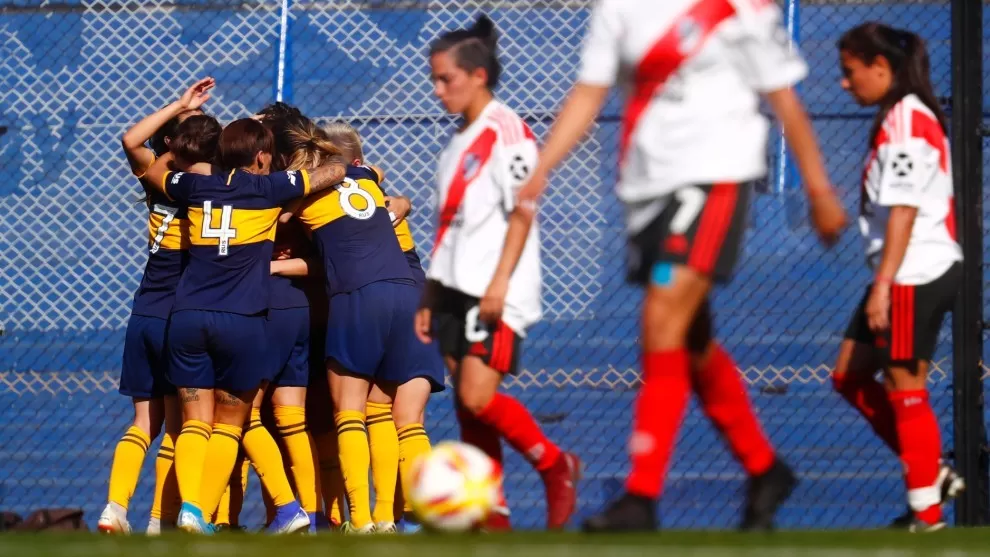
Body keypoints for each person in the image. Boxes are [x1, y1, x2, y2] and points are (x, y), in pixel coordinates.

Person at [513, 0, 847, 531]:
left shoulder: (742, 7)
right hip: (648, 189)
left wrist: (819, 187)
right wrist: (541, 169)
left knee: (661, 319)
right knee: (690, 340)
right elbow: (590, 91)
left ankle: (641, 497)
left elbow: (782, 96)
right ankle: (764, 468)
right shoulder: (615, 8)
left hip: (716, 176)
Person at [139, 110, 350, 534]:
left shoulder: (192, 186)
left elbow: (153, 168)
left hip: (188, 319)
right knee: (234, 423)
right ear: (260, 156)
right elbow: (333, 171)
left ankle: (187, 510)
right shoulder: (269, 188)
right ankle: (198, 510)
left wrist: (190, 136)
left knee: (196, 421)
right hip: (241, 322)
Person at [415, 15, 582, 531]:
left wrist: (499, 282)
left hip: (493, 287)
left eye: (447, 79)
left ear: (479, 75)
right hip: (453, 288)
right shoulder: (459, 141)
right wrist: (430, 294)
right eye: (435, 80)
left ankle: (556, 465)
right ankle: (492, 515)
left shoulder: (508, 132)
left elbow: (524, 210)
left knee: (476, 396)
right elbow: (451, 225)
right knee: (468, 410)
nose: (439, 89)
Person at [283, 118, 443, 534]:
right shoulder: (370, 179)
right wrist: (400, 202)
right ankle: (403, 517)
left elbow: (282, 216)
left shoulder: (303, 195)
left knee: (349, 412)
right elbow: (382, 179)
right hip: (410, 295)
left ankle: (363, 519)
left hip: (358, 295)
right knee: (401, 417)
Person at [832, 23, 963, 533]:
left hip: (913, 271)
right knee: (849, 375)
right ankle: (933, 475)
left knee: (907, 389)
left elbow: (905, 209)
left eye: (850, 72)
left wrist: (884, 286)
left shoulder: (908, 120)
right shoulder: (897, 117)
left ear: (880, 68)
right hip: (901, 269)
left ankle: (927, 518)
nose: (845, 83)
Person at [97, 78, 211, 535]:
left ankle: (114, 508)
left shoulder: (157, 177)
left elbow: (130, 139)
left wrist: (179, 105)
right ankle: (160, 522)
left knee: (143, 422)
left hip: (144, 310)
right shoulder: (212, 185)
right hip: (181, 317)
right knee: (184, 426)